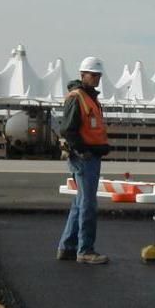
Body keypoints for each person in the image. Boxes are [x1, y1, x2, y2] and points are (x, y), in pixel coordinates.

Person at [57, 56, 111, 264]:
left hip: (90, 155)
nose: (97, 79)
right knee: (88, 203)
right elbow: (67, 130)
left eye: (98, 75)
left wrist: (100, 147)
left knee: (80, 203)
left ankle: (67, 247)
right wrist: (84, 151)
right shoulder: (77, 97)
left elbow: (90, 129)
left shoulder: (90, 98)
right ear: (82, 75)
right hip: (83, 158)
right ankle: (85, 250)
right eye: (93, 75)